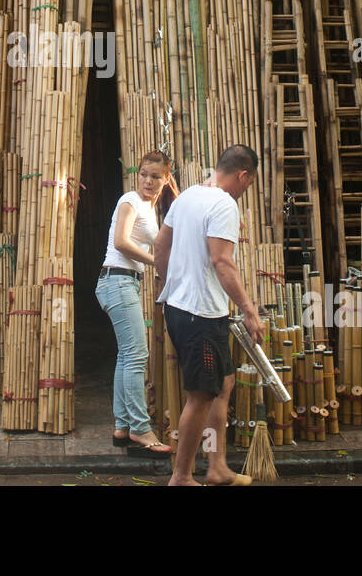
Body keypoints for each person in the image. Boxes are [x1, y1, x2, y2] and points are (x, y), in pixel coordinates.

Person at [154, 144, 264, 486]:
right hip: (200, 316)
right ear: (243, 175)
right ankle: (181, 476)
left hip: (179, 308)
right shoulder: (223, 204)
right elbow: (222, 261)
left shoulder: (187, 196)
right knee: (201, 395)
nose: (245, 190)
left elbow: (160, 245)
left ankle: (216, 466)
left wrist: (171, 281)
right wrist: (249, 310)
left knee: (224, 383)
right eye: (248, 183)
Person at [97, 151, 177, 454]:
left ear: (165, 178)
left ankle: (122, 426)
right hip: (116, 280)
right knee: (136, 355)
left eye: (155, 176)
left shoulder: (149, 207)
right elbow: (120, 242)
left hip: (123, 281)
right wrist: (157, 262)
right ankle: (141, 430)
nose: (147, 180)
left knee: (125, 356)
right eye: (144, 173)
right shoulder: (129, 199)